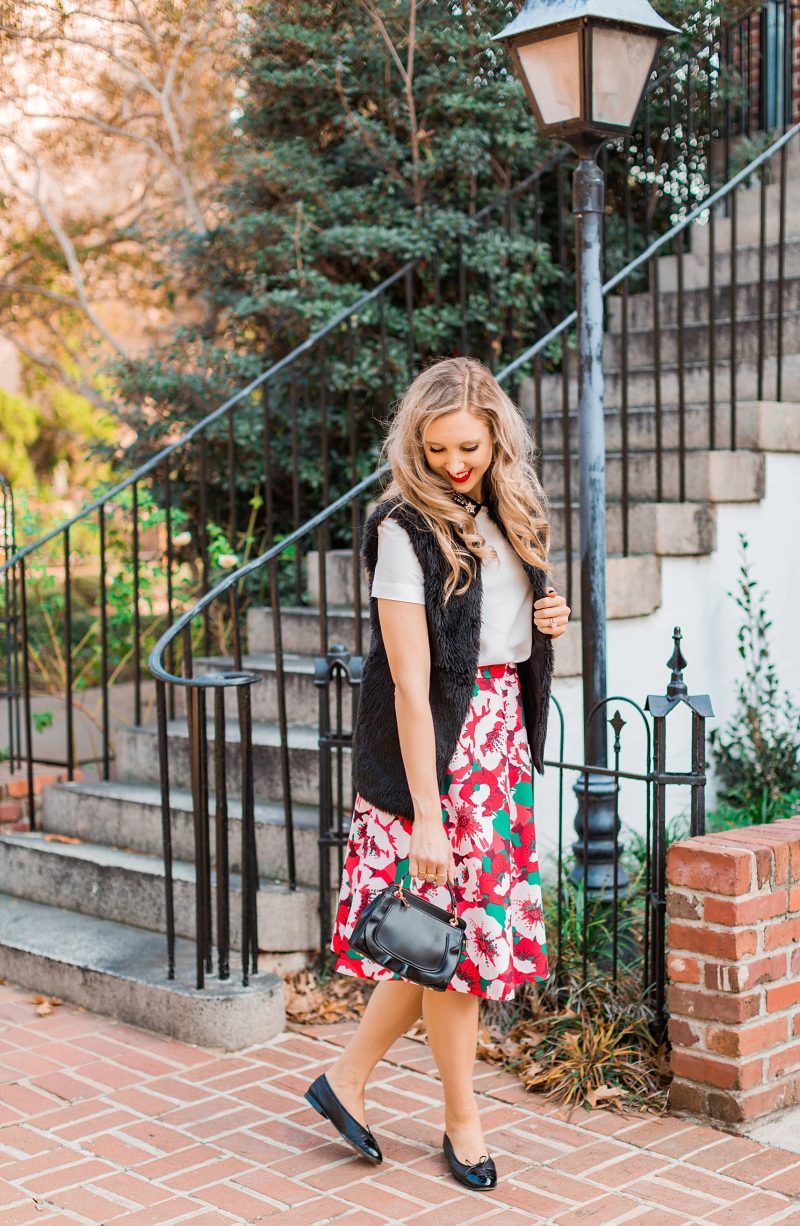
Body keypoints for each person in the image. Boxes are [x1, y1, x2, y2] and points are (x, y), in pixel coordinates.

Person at [304, 356, 570, 1190]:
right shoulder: (401, 529)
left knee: (444, 943)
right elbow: (411, 685)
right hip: (441, 757)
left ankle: (345, 1081)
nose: (457, 465)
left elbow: (508, 633)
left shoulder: (508, 509)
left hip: (500, 749)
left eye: (471, 448)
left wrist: (548, 616)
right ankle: (464, 1123)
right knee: (453, 952)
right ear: (415, 447)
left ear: (497, 435)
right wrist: (425, 812)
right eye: (439, 451)